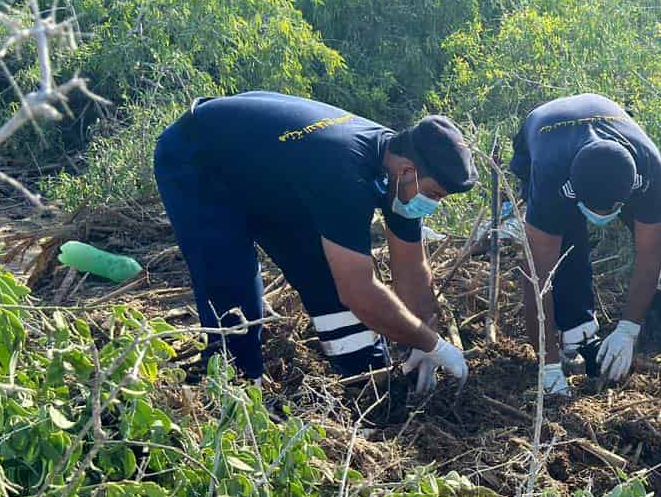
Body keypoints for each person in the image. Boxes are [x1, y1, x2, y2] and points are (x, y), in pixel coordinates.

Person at [153, 91, 475, 389]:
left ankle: (366, 383)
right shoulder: (346, 174)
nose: (432, 204)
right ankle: (234, 391)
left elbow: (412, 271)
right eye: (434, 194)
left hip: (274, 177)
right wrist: (434, 346)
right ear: (408, 171)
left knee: (325, 280)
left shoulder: (396, 171)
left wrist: (425, 338)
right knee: (232, 291)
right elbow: (359, 292)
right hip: (198, 159)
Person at [510, 94, 661, 397]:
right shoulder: (552, 177)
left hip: (608, 133)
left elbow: (649, 254)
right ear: (576, 192)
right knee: (565, 246)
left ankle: (657, 301)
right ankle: (576, 330)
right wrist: (547, 364)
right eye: (594, 209)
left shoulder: (648, 171)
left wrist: (628, 329)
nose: (601, 218)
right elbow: (537, 278)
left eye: (610, 210)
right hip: (544, 136)